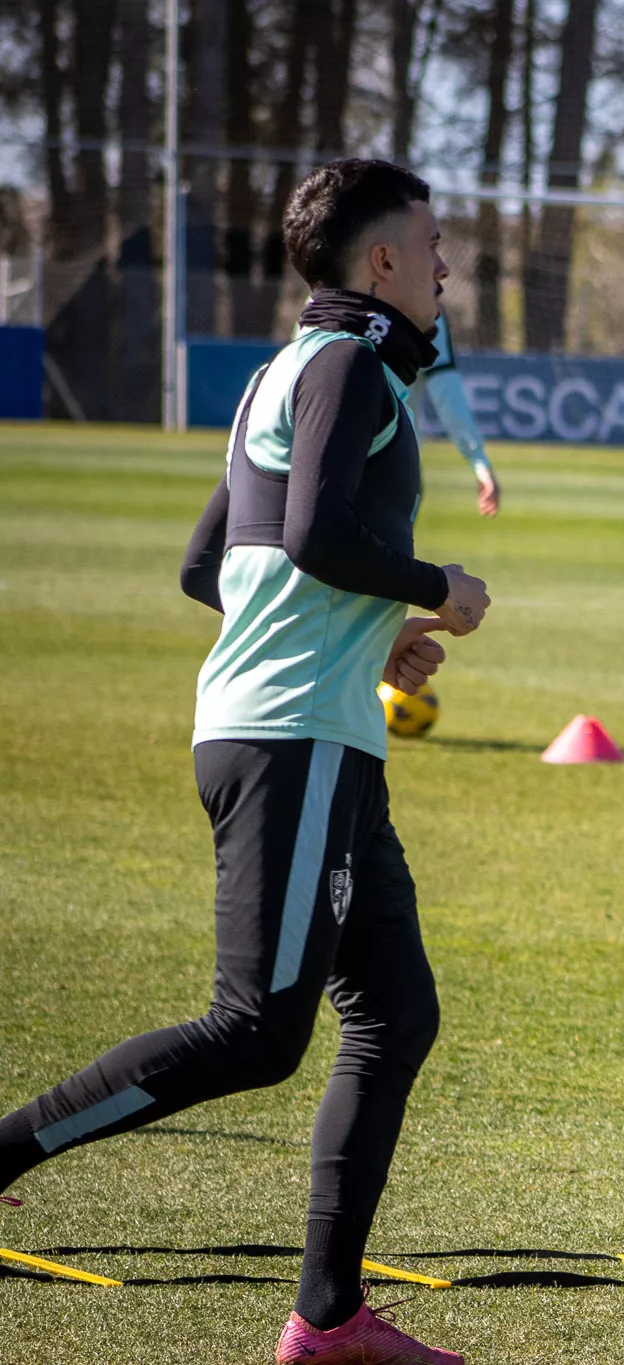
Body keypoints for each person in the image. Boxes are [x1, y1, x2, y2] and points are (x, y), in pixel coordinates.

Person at [0, 160, 489, 1365]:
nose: (445, 264)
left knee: (395, 1017)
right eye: (429, 244)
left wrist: (371, 637)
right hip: (291, 741)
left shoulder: (293, 366)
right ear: (379, 263)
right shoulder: (345, 366)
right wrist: (436, 591)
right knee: (254, 1033)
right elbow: (318, 534)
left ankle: (327, 1322)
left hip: (309, 729)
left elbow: (210, 567)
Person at [406, 309, 504, 516]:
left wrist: (479, 460)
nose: (443, 274)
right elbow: (448, 400)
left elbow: (448, 399)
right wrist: (479, 460)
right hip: (394, 465)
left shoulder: (429, 314)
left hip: (334, 458)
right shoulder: (426, 315)